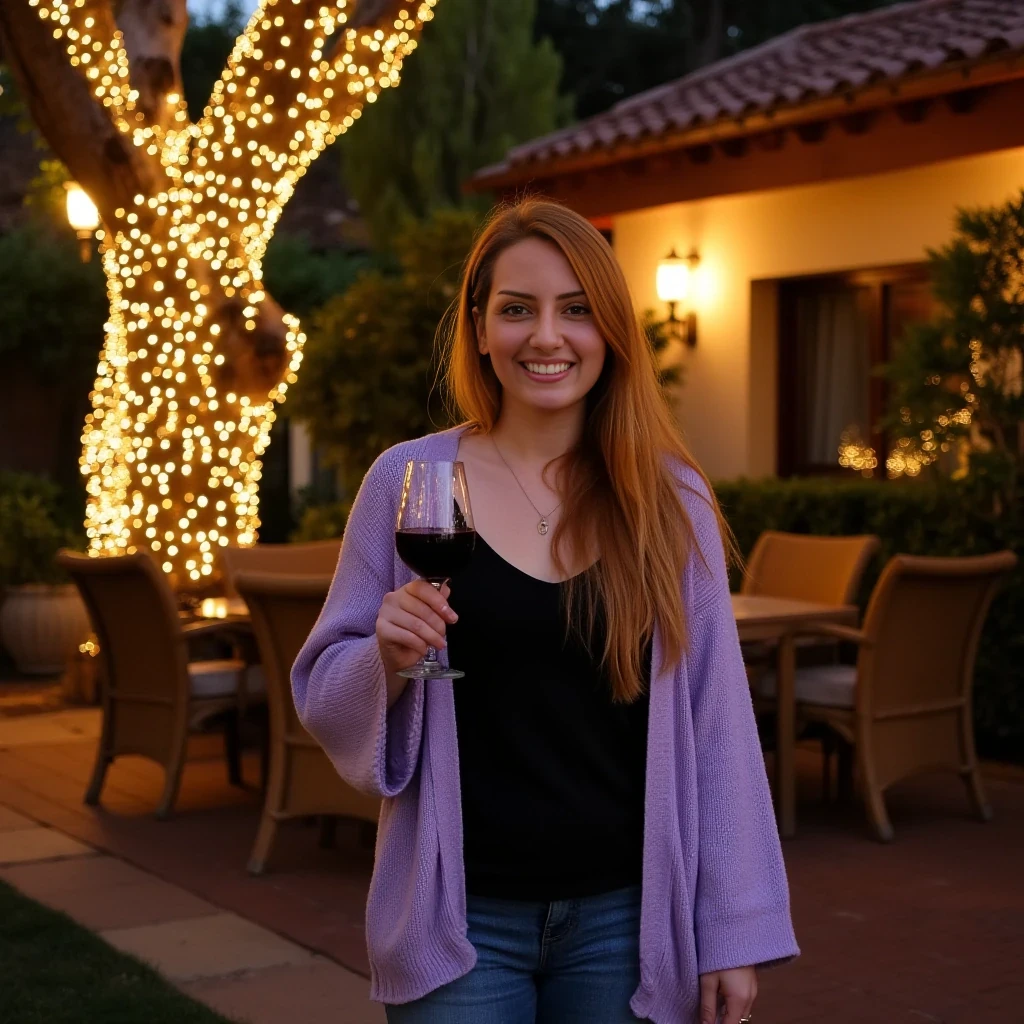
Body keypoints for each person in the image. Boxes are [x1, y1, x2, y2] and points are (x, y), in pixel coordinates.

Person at [292, 198, 798, 1024]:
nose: (547, 337)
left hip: (626, 922)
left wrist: (733, 931)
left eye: (576, 310)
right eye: (518, 310)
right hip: (459, 918)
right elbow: (323, 689)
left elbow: (719, 725)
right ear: (481, 329)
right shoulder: (408, 481)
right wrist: (382, 658)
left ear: (610, 333)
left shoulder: (669, 498)